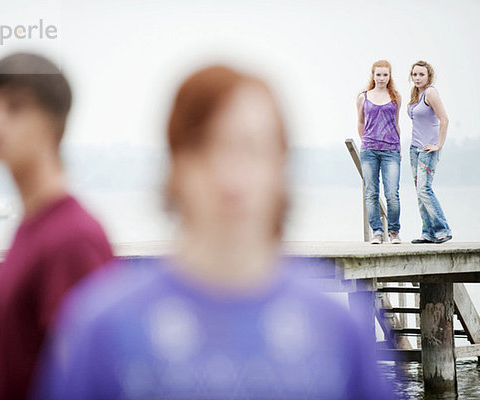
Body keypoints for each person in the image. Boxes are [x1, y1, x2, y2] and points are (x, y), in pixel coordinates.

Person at [30, 65, 393, 400]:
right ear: (174, 167)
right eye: (205, 148)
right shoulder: (101, 330)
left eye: (251, 149)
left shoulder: (338, 332)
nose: (230, 177)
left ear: (281, 167)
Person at [0, 53, 114, 400]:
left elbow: (91, 376)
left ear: (54, 122)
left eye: (15, 107)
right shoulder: (31, 228)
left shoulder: (72, 237)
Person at [356, 60, 402, 244]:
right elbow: (360, 122)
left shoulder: (395, 97)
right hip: (369, 150)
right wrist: (366, 141)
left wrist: (398, 147)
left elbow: (396, 123)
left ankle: (394, 231)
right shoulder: (363, 97)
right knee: (371, 192)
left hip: (391, 150)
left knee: (392, 193)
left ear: (389, 76)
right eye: (378, 74)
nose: (382, 78)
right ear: (373, 75)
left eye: (385, 74)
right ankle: (377, 232)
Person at [407, 60, 452, 244]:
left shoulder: (430, 92)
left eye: (421, 74)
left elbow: (444, 119)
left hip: (428, 149)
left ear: (428, 76)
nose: (417, 78)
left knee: (424, 190)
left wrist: (438, 145)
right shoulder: (414, 94)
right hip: (414, 149)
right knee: (420, 192)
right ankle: (427, 233)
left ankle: (443, 230)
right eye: (415, 74)